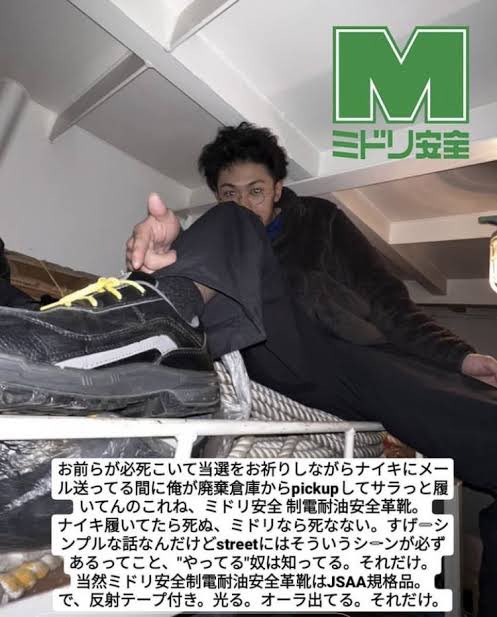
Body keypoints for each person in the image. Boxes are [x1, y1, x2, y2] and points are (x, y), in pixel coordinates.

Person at [0, 123, 496, 615]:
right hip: (254, 352)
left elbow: (391, 305)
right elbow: (212, 262)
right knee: (227, 230)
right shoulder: (220, 229)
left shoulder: (319, 221)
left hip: (334, 354)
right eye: (229, 192)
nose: (243, 200)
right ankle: (140, 335)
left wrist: (458, 356)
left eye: (256, 190)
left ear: (278, 189)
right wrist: (155, 266)